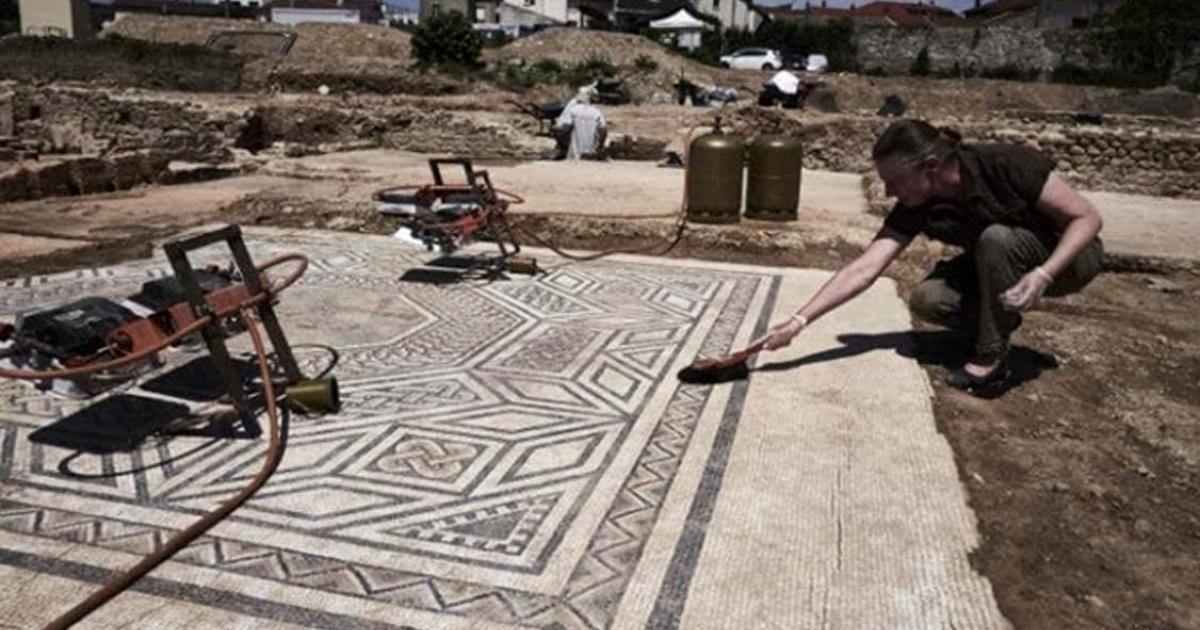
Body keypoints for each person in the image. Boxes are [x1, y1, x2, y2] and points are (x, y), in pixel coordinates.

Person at [760, 119, 1104, 393]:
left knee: (996, 238)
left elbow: (1087, 218)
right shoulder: (917, 203)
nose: (889, 191)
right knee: (929, 299)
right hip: (1001, 263)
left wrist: (1044, 274)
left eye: (894, 181)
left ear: (931, 165)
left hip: (1070, 258)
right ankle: (996, 323)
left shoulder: (1003, 163)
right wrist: (797, 322)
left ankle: (991, 360)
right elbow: (864, 268)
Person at [554, 86, 608, 160]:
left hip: (574, 153)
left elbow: (564, 128)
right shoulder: (596, 112)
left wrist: (562, 145)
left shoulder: (573, 110)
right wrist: (600, 147)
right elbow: (603, 129)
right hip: (590, 154)